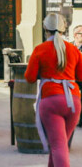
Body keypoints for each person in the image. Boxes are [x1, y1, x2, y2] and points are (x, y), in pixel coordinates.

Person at [25, 13, 82, 167]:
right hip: (73, 101)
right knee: (59, 146)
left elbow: (29, 77)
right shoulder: (73, 49)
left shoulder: (40, 49)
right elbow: (81, 75)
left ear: (45, 29)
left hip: (51, 100)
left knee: (58, 146)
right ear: (64, 30)